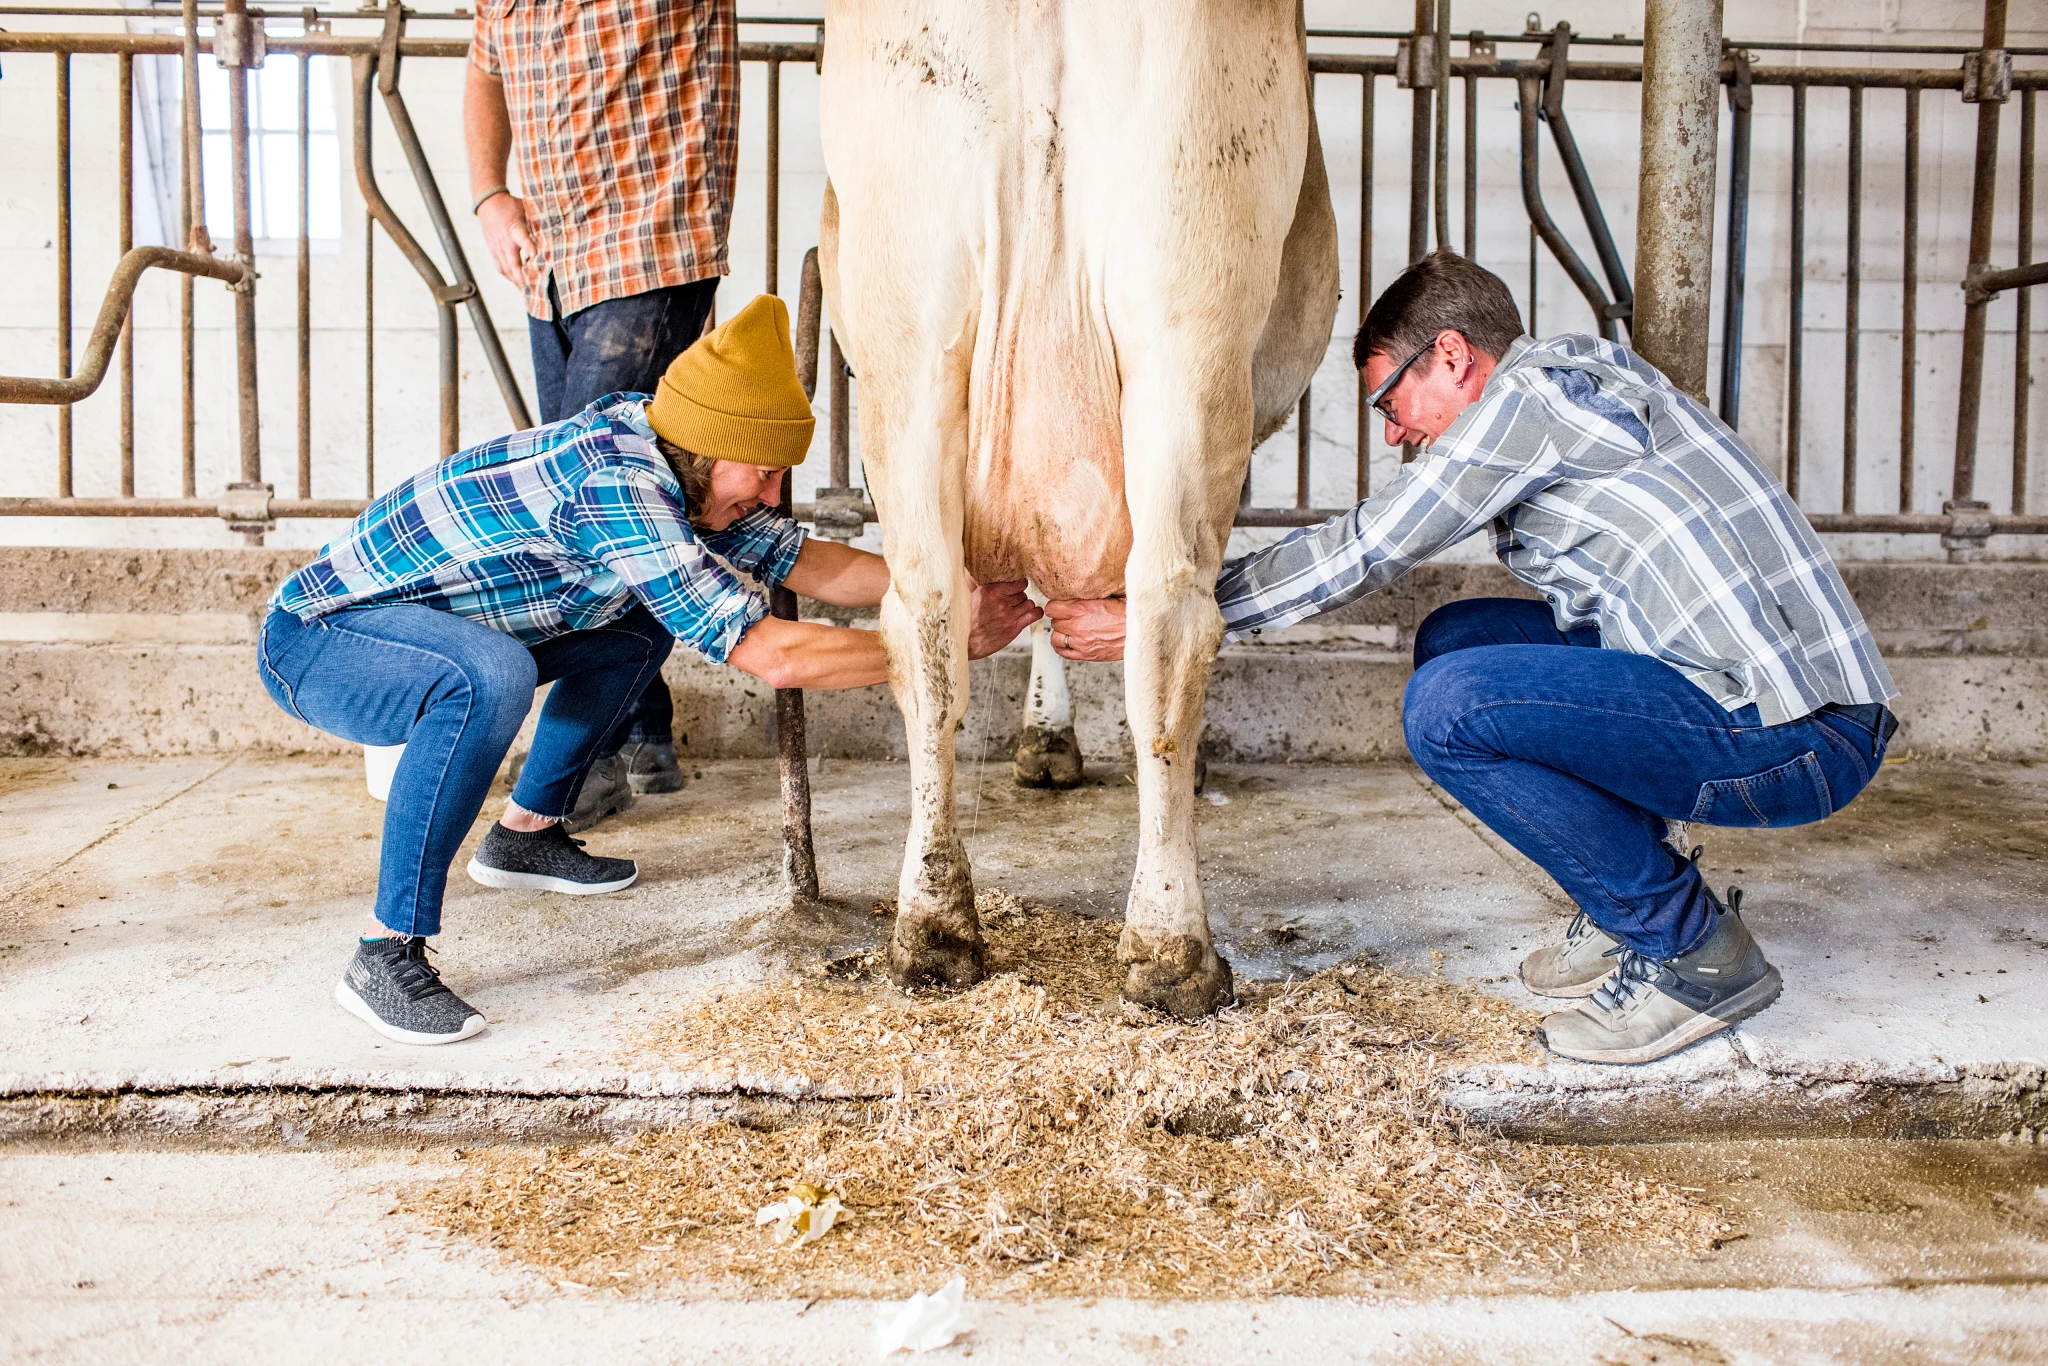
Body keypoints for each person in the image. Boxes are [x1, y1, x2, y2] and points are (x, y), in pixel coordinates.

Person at [1046, 252, 1899, 1066]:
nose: (1392, 435)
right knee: (1458, 639)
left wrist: (1173, 613)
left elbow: (1368, 546)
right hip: (1785, 704)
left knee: (1448, 706)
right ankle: (1623, 897)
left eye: (1389, 400)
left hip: (1790, 738)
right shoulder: (1574, 373)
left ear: (1451, 356)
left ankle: (1695, 954)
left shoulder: (1523, 410)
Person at [259, 296, 1042, 1045]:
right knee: (485, 676)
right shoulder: (620, 486)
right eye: (763, 475)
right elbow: (774, 655)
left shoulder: (674, 462)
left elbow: (809, 564)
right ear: (708, 449)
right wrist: (944, 649)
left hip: (430, 635)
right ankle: (384, 952)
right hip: (323, 644)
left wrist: (950, 591)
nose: (771, 495)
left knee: (634, 626)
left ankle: (524, 838)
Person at [465, 0, 739, 828]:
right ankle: (642, 732)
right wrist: (488, 193)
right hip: (552, 262)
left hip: (651, 242)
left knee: (589, 506)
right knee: (599, 502)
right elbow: (486, 63)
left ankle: (576, 766)